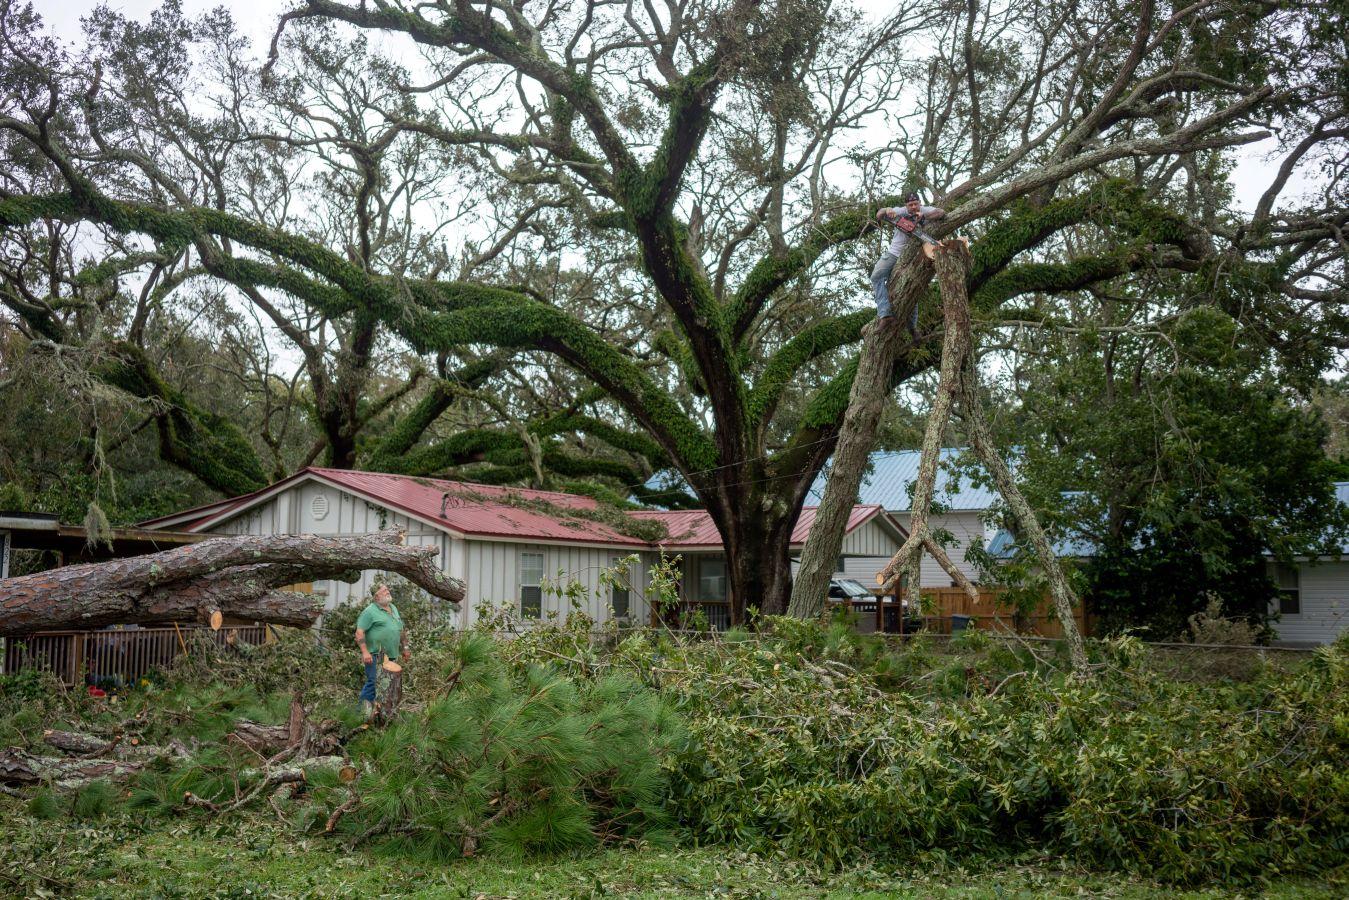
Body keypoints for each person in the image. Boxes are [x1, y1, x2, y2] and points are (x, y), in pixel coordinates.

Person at [871, 192, 946, 323]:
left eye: (915, 204)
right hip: (894, 253)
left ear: (920, 203)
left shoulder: (925, 210)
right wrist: (887, 209)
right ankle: (884, 314)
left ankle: (912, 325)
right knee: (876, 276)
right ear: (906, 205)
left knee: (910, 287)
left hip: (913, 257)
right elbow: (879, 214)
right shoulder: (900, 211)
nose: (913, 207)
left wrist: (924, 216)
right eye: (910, 205)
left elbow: (941, 212)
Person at [355, 583, 409, 715]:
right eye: (384, 590)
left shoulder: (393, 608)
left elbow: (400, 630)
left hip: (392, 656)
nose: (387, 591)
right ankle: (360, 714)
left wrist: (405, 647)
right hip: (375, 655)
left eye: (387, 589)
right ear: (376, 596)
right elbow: (359, 632)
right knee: (373, 683)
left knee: (389, 686)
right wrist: (365, 652)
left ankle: (382, 714)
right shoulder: (369, 611)